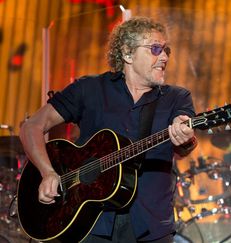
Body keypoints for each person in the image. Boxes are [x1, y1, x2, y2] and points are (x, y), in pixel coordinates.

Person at [19, 17, 197, 243]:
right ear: (128, 54)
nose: (164, 57)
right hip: (89, 222)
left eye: (166, 50)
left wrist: (186, 138)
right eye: (155, 49)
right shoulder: (89, 89)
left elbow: (184, 147)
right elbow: (32, 127)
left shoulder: (176, 97)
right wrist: (48, 173)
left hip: (150, 225)